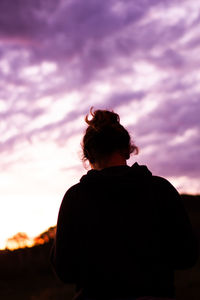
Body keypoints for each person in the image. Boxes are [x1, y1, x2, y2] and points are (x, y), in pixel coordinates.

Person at [51, 108, 199, 300]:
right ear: (126, 149)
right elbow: (187, 256)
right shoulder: (160, 190)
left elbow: (64, 271)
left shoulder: (75, 198)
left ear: (88, 155)